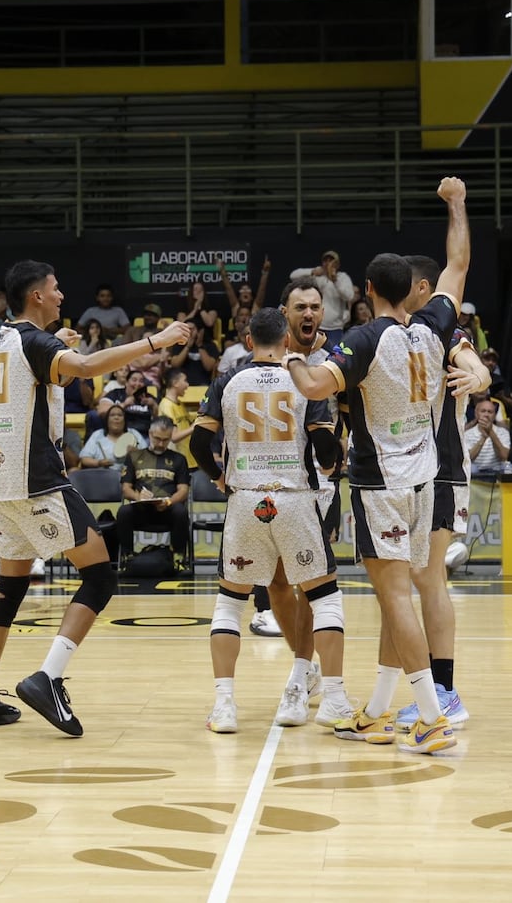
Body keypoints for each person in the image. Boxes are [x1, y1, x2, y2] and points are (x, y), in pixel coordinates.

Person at [0, 259, 191, 734]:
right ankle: (48, 677)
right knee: (101, 578)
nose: (62, 295)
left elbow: (53, 378)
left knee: (11, 587)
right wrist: (158, 341)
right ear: (36, 296)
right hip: (38, 480)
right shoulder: (35, 341)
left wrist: (60, 350)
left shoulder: (1, 342)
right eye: (56, 287)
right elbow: (84, 368)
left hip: (4, 484)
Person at [284, 177, 471, 756]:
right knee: (401, 595)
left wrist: (293, 354)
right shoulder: (437, 325)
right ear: (411, 291)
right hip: (423, 479)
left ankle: (433, 716)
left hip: (380, 483)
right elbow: (458, 262)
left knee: (393, 597)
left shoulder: (363, 339)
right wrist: (457, 206)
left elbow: (315, 382)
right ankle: (379, 709)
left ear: (367, 290)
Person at [190, 308, 342, 734]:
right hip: (294, 499)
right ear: (288, 342)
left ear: (248, 339)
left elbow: (200, 443)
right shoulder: (306, 380)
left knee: (230, 603)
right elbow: (326, 447)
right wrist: (331, 464)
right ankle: (316, 689)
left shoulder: (227, 381)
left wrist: (220, 476)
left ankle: (224, 706)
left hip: (245, 501)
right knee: (322, 594)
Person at [392, 254, 490, 733]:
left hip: (441, 469)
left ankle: (445, 693)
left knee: (427, 580)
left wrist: (479, 377)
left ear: (425, 289)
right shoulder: (396, 336)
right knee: (406, 581)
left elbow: (473, 363)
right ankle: (419, 691)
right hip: (407, 471)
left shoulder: (444, 332)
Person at [115, 415, 190, 571]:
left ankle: (178, 556)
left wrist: (169, 501)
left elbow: (183, 490)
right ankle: (126, 556)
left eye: (166, 439)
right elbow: (126, 488)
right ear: (149, 434)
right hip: (141, 510)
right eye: (157, 439)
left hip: (167, 509)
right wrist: (137, 497)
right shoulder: (134, 457)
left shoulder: (179, 459)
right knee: (123, 511)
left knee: (181, 512)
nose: (161, 443)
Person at [289, 250, 356, 348]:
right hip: (317, 326)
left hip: (335, 328)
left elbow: (349, 296)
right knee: (314, 355)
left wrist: (335, 280)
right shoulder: (317, 276)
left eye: (331, 260)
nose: (328, 263)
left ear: (337, 264)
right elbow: (293, 276)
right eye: (326, 260)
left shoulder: (342, 277)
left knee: (335, 357)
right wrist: (312, 272)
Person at [79, 404, 145, 470]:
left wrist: (137, 453)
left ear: (125, 420)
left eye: (120, 415)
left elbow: (149, 458)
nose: (116, 418)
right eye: (112, 415)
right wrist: (99, 463)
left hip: (130, 476)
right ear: (107, 420)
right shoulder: (98, 435)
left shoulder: (134, 434)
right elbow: (84, 459)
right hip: (102, 475)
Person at [157, 368, 197, 469]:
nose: (187, 385)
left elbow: (190, 419)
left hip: (188, 458)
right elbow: (174, 437)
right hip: (176, 461)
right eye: (185, 380)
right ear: (175, 383)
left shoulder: (179, 404)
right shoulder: (166, 406)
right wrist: (194, 427)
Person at [463, 398, 512, 474]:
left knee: (509, 468)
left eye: (490, 412)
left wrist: (491, 432)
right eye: (483, 411)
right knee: (471, 468)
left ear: (494, 415)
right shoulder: (467, 434)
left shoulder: (503, 432)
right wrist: (483, 438)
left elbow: (504, 456)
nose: (486, 415)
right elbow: (468, 458)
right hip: (475, 471)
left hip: (496, 469)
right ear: (476, 414)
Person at [217, 255, 271, 323]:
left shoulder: (255, 309)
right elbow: (229, 289)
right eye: (242, 290)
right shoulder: (236, 307)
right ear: (239, 297)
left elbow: (262, 289)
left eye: (248, 290)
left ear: (252, 297)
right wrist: (222, 271)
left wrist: (265, 273)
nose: (245, 292)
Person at [168, 320, 219, 387]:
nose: (188, 332)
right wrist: (188, 347)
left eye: (191, 329)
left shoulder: (210, 345)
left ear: (200, 331)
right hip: (181, 384)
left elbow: (209, 367)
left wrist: (199, 346)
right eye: (185, 329)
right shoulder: (178, 344)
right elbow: (175, 364)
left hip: (203, 384)